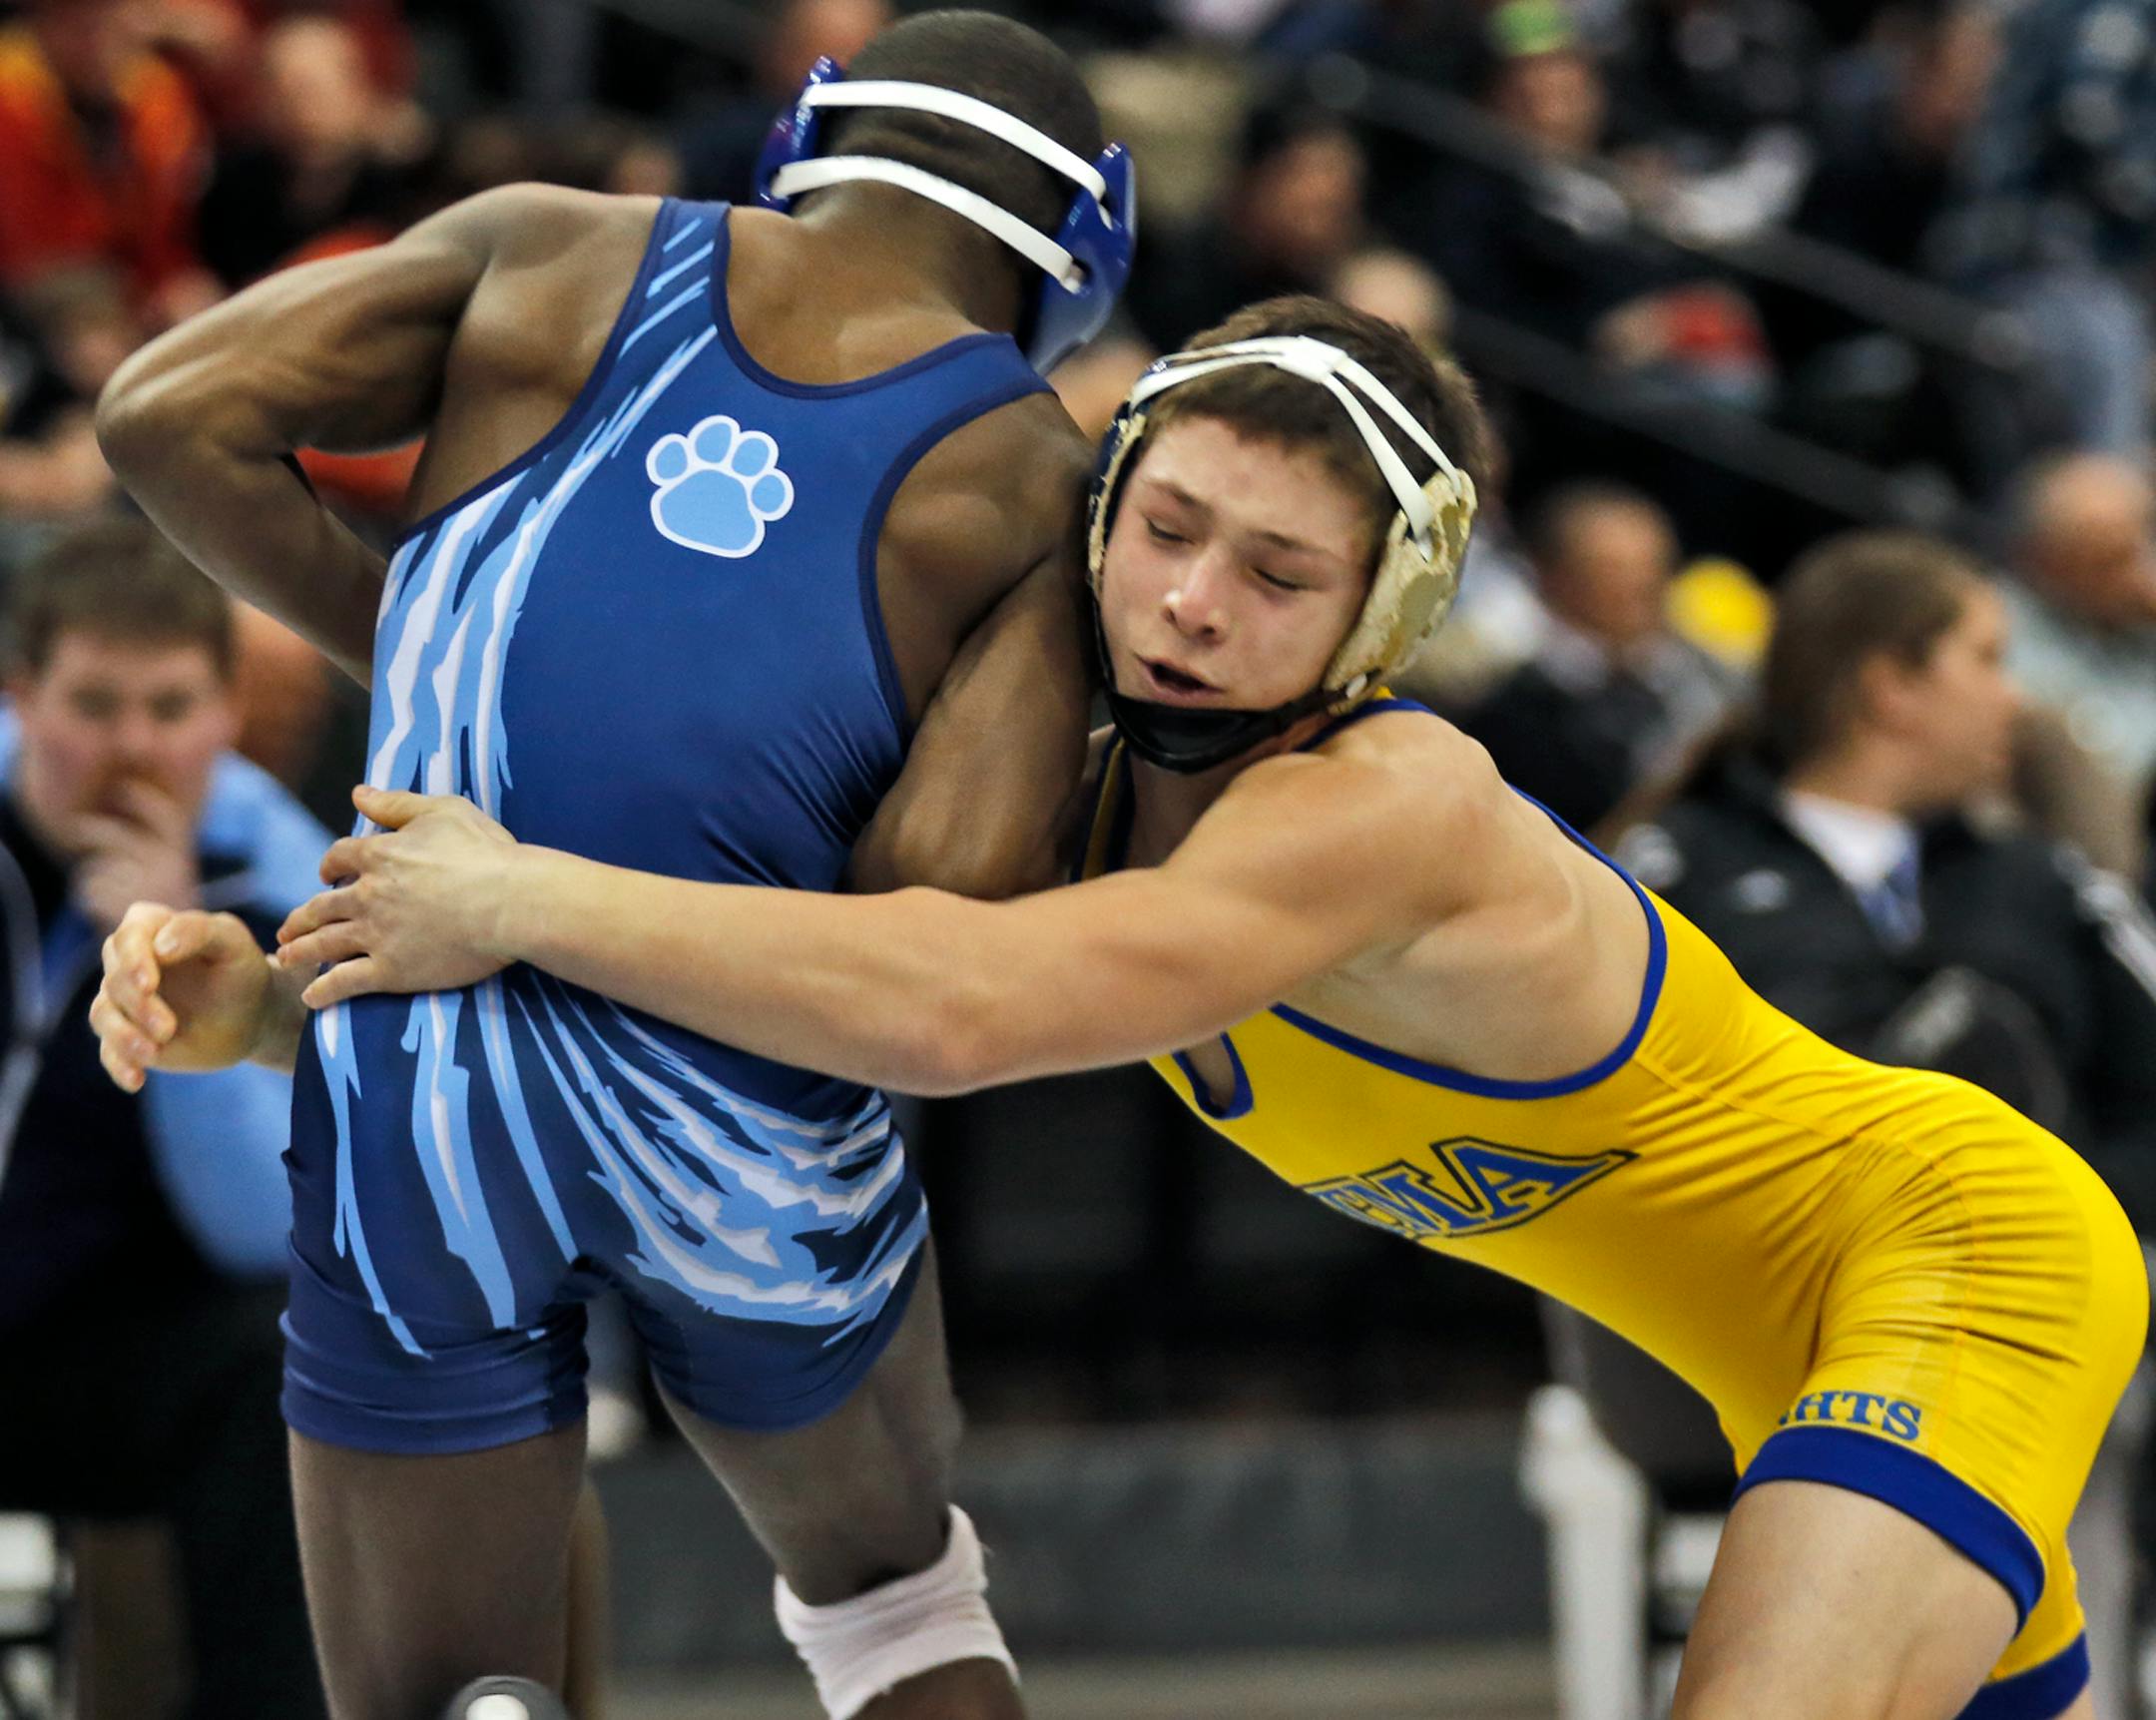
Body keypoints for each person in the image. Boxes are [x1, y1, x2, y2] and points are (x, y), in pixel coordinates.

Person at [131, 291, 2149, 1720]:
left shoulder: (1380, 806)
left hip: (1951, 1250)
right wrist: (285, 995)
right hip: (1758, 1351)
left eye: (1277, 574)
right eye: (1167, 528)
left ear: (1384, 613)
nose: (1191, 603)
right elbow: (724, 991)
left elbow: (942, 1014)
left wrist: (525, 890)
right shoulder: (1047, 786)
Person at [91, 9, 1134, 1718]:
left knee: (446, 1696)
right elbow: (934, 903)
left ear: (811, 138)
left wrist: (429, 649)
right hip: (743, 1107)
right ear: (1082, 242)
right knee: (893, 1599)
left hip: (427, 1069)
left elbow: (161, 413)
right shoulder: (1033, 473)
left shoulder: (546, 246)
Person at [0, 519, 331, 1720]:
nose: (130, 745)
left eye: (167, 705)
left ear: (227, 714)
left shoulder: (286, 895)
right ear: (22, 693)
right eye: (94, 702)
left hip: (94, 1353)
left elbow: (261, 1230)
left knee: (279, 1350)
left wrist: (184, 982)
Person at [1618, 527, 2156, 1235]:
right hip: (1750, 1305)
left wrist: (2034, 1207)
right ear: (1892, 688)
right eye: (1988, 659)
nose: (2014, 699)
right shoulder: (1676, 870)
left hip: (2024, 1311)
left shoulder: (2049, 882)